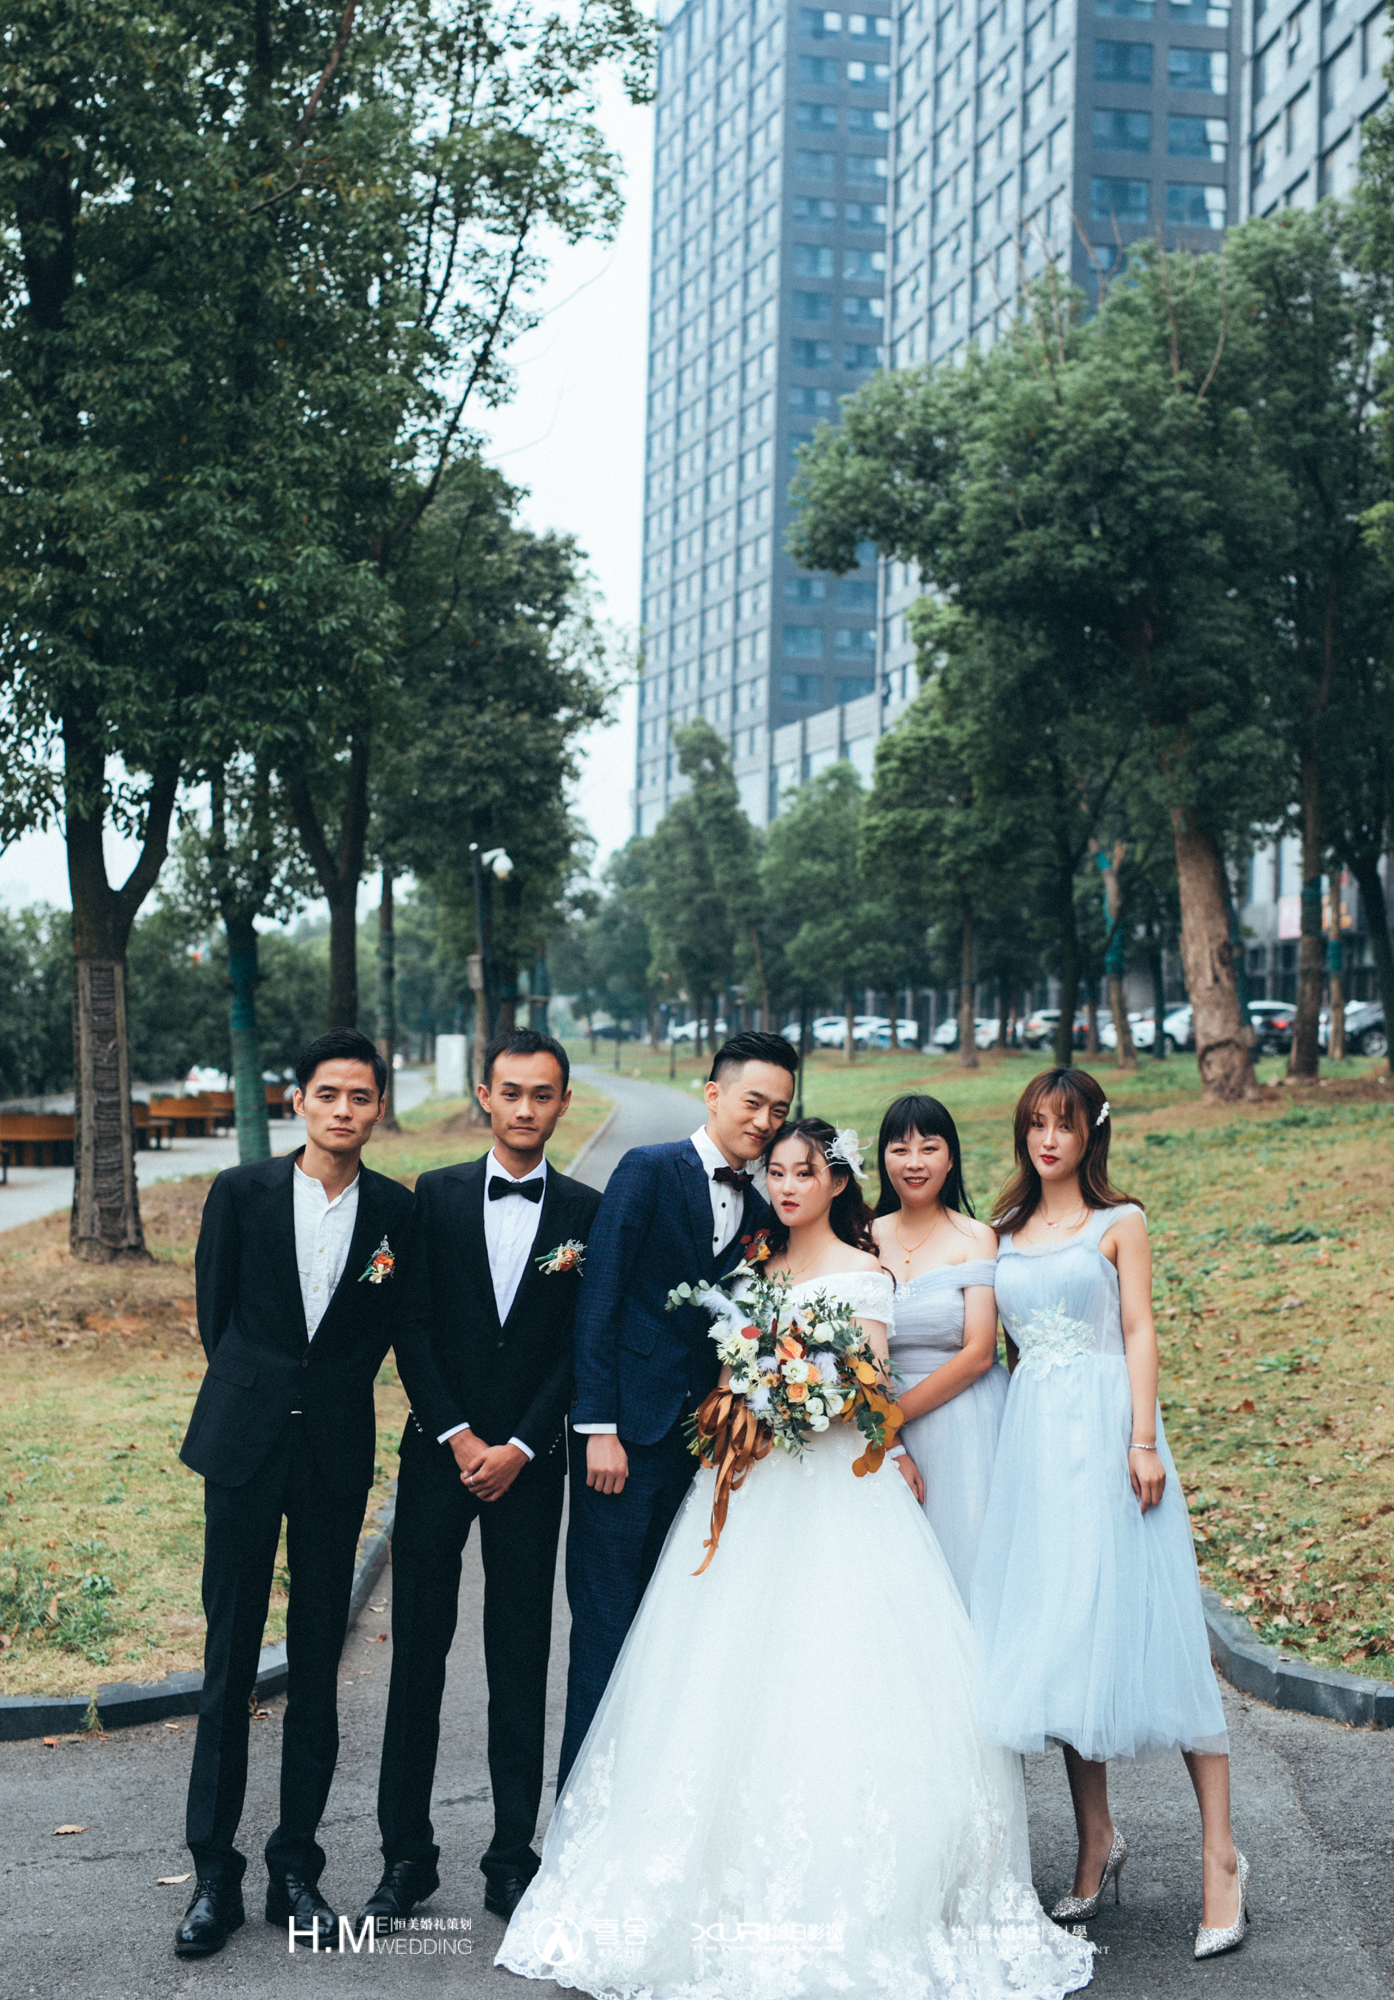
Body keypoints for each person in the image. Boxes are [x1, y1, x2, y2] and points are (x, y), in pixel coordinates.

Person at [496, 1119, 1093, 2000]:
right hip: (748, 1489)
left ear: (836, 1183)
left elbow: (869, 1388)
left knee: (837, 1671)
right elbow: (726, 1376)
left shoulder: (864, 1273)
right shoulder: (750, 1273)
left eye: (803, 1173)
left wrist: (795, 1397)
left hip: (837, 1493)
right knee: (722, 1674)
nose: (785, 1187)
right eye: (774, 1172)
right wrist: (745, 1401)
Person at [972, 1068, 1247, 1961]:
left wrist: (1141, 1439)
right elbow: (994, 1345)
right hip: (1035, 1447)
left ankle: (1220, 1858)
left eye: (1064, 1123)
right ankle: (1098, 1840)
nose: (1048, 1139)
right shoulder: (1002, 1232)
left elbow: (1138, 1330)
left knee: (1160, 1632)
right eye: (1035, 1124)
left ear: (1092, 1130)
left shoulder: (1119, 1221)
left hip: (1111, 1433)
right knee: (1063, 1636)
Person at [175, 1030, 414, 1958]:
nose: (343, 1109)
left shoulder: (396, 1212)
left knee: (317, 1660)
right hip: (243, 1443)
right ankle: (213, 1875)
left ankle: (293, 1869)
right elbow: (218, 1315)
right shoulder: (240, 1192)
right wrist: (263, 1396)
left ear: (378, 1108)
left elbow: (389, 1326)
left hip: (334, 1452)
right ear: (298, 1101)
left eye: (360, 1096)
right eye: (328, 1094)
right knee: (229, 1657)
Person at [360, 1029, 600, 1931]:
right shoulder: (435, 1195)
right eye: (511, 1092)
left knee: (520, 1657)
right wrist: (459, 1436)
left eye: (543, 1094)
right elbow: (411, 1323)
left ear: (563, 1102)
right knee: (417, 1658)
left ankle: (510, 1857)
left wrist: (524, 1445)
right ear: (484, 1095)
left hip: (531, 1468)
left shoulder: (586, 1210)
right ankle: (405, 1858)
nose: (526, 1108)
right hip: (438, 1456)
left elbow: (580, 1342)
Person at [556, 1030, 796, 1788]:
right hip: (623, 1443)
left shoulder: (763, 1209)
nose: (764, 1121)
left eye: (780, 1109)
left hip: (702, 1453)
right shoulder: (648, 1169)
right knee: (605, 1629)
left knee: (672, 1639)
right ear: (714, 1094)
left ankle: (646, 1805)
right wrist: (598, 1428)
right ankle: (578, 1816)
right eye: (753, 1102)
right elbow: (599, 1300)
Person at [871, 1093, 1008, 1607]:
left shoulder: (976, 1237)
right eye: (900, 1149)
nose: (914, 1162)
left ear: (951, 1159)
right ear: (883, 1158)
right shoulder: (862, 1236)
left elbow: (980, 1351)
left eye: (929, 1148)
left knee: (961, 1562)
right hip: (877, 1420)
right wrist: (887, 1439)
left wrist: (891, 1419)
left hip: (961, 1420)